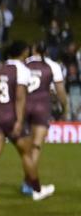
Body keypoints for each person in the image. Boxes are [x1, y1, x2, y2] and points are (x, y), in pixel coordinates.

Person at [0, 41, 47, 204]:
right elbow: (20, 96)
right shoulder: (22, 70)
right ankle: (37, 190)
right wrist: (20, 120)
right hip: (12, 116)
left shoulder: (1, 69)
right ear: (22, 52)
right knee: (26, 153)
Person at [22, 42, 68, 198]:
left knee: (26, 148)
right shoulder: (53, 66)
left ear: (32, 49)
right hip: (42, 107)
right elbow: (60, 91)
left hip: (24, 107)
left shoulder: (23, 64)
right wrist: (64, 107)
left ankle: (28, 181)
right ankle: (29, 183)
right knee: (36, 147)